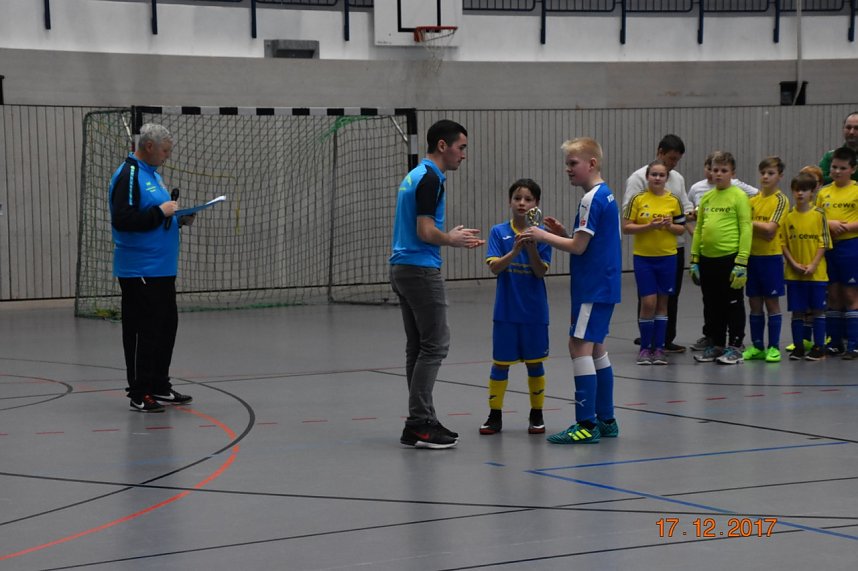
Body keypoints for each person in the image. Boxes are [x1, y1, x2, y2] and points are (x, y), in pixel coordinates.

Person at [390, 119, 484, 449]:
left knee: (417, 347)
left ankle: (420, 420)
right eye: (461, 147)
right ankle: (419, 422)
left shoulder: (415, 174)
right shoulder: (431, 178)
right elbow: (425, 232)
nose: (464, 155)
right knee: (435, 345)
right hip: (419, 270)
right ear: (442, 146)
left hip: (402, 268)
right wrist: (452, 239)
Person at [524, 137, 621, 444]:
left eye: (572, 163)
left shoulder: (591, 199)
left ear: (591, 163)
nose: (567, 169)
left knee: (578, 346)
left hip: (592, 286)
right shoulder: (606, 196)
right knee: (596, 348)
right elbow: (589, 243)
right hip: (604, 282)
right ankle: (606, 419)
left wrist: (541, 235)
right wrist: (564, 234)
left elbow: (579, 248)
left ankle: (586, 424)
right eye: (567, 163)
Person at [109, 123, 194, 413]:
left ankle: (159, 384)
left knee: (165, 326)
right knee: (142, 331)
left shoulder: (153, 175)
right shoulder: (129, 174)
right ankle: (139, 391)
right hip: (140, 269)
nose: (167, 156)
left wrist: (178, 218)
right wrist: (161, 212)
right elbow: (123, 219)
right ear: (148, 147)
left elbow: (154, 217)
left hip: (162, 268)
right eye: (165, 151)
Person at [479, 178, 552, 436]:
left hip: (534, 312)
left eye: (528, 199)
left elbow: (540, 272)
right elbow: (494, 267)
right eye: (517, 198)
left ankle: (537, 414)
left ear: (536, 204)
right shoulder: (498, 232)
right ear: (510, 201)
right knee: (500, 364)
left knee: (535, 364)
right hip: (506, 311)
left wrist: (532, 248)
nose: (522, 203)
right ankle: (494, 415)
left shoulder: (542, 234)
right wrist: (513, 250)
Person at [623, 135, 691, 353]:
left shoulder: (677, 179)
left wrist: (691, 215)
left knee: (670, 295)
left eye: (676, 161)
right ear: (660, 152)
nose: (672, 165)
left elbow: (684, 207)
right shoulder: (638, 178)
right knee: (648, 298)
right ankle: (646, 339)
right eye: (670, 159)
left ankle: (665, 339)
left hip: (672, 247)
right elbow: (629, 215)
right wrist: (649, 225)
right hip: (646, 249)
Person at [687, 152, 758, 351]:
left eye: (723, 170)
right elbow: (699, 229)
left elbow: (746, 228)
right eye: (715, 170)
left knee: (733, 303)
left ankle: (735, 344)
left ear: (732, 173)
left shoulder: (739, 196)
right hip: (708, 260)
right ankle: (717, 343)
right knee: (712, 304)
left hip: (730, 258)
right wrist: (694, 259)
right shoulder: (707, 198)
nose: (718, 174)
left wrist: (742, 261)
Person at [742, 157, 789, 363]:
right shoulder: (751, 201)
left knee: (772, 304)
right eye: (763, 173)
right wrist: (753, 227)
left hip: (771, 258)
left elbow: (771, 231)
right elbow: (745, 229)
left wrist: (748, 223)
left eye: (770, 173)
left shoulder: (781, 200)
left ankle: (773, 347)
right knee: (754, 303)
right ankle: (758, 346)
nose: (765, 177)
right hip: (752, 258)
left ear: (779, 176)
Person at [781, 173, 831, 361]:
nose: (800, 193)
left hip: (816, 274)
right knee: (797, 311)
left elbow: (823, 242)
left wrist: (813, 264)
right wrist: (793, 264)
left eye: (804, 190)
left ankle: (819, 348)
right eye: (797, 189)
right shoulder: (788, 217)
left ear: (812, 192)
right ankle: (799, 347)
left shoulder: (819, 215)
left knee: (817, 310)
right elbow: (783, 243)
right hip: (795, 274)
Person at [816, 146, 858, 359]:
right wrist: (828, 222)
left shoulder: (857, 190)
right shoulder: (824, 192)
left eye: (842, 168)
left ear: (852, 169)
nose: (837, 171)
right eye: (834, 167)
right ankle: (834, 342)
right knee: (832, 294)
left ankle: (854, 344)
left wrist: (849, 227)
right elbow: (814, 218)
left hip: (851, 247)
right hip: (829, 248)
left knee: (851, 293)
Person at [818, 111, 858, 185]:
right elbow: (820, 180)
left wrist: (834, 175)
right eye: (848, 127)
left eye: (856, 128)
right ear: (843, 129)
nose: (851, 132)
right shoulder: (830, 156)